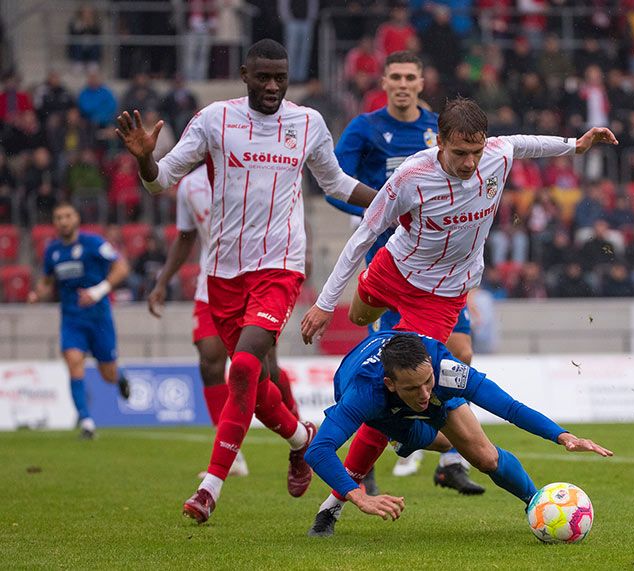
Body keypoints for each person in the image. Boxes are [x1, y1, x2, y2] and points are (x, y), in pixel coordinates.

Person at [301, 98, 617, 512]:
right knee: (361, 317)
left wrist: (574, 145)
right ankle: (383, 371)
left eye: (476, 152)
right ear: (441, 143)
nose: (470, 162)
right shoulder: (411, 177)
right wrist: (326, 304)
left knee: (391, 382)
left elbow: (522, 144)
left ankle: (342, 496)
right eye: (460, 153)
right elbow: (364, 235)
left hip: (441, 294)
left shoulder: (496, 156)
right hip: (393, 268)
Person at [115, 39, 377, 524]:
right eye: (263, 77)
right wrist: (146, 160)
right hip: (223, 272)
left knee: (241, 367)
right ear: (244, 74)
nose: (273, 85)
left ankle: (210, 486)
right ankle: (303, 439)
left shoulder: (307, 123)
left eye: (281, 76)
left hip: (280, 267)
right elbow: (161, 179)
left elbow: (337, 183)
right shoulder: (216, 119)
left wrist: (388, 198)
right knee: (252, 384)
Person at [325, 51, 482, 494]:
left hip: (440, 267)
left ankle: (448, 459)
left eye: (410, 76)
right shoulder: (365, 128)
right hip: (389, 265)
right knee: (389, 365)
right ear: (384, 81)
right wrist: (384, 206)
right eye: (394, 76)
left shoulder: (440, 129)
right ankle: (370, 452)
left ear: (420, 82)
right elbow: (333, 183)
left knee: (462, 354)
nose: (402, 84)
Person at [305, 332, 613, 536]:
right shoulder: (365, 394)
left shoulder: (444, 370)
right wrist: (360, 497)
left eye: (427, 381)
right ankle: (338, 502)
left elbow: (509, 408)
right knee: (416, 437)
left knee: (482, 455)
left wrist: (562, 436)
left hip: (433, 391)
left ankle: (536, 502)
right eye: (414, 387)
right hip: (384, 412)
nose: (424, 393)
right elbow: (318, 450)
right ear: (391, 384)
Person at [147, 165, 303, 478]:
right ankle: (232, 455)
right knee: (209, 360)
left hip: (258, 280)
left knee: (265, 371)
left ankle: (300, 437)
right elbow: (186, 236)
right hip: (214, 284)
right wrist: (163, 281)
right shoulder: (189, 187)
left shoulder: (255, 171)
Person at [27, 202, 131, 439]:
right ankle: (86, 422)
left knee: (108, 374)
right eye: (58, 217)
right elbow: (46, 281)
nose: (63, 221)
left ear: (76, 218)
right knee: (74, 361)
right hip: (72, 319)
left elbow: (122, 267)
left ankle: (120, 376)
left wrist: (98, 291)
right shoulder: (52, 251)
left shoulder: (93, 243)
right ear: (54, 223)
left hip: (99, 317)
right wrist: (37, 293)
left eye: (67, 216)